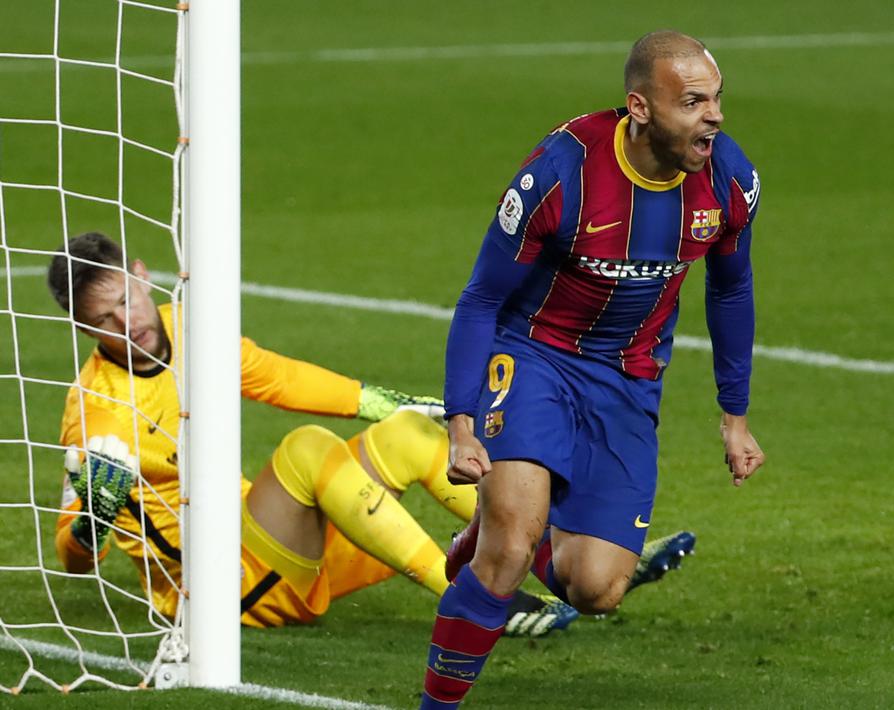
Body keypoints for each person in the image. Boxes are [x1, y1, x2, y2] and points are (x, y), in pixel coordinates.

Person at [420, 30, 765, 707]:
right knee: (510, 547)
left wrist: (734, 415)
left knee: (596, 588)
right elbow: (482, 298)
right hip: (533, 354)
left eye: (716, 99)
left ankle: (482, 536)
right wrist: (461, 424)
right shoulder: (560, 173)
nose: (714, 117)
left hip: (629, 378)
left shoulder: (728, 181)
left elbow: (730, 287)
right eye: (692, 102)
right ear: (639, 107)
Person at [48, 231, 623, 636]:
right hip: (223, 587)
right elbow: (72, 559)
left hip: (278, 545)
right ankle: (470, 600)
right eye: (104, 318)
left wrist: (380, 403)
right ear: (81, 326)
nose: (129, 321)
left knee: (407, 434)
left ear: (143, 276)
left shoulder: (186, 328)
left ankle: (560, 558)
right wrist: (93, 520)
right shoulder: (94, 411)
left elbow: (274, 375)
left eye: (127, 298)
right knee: (305, 449)